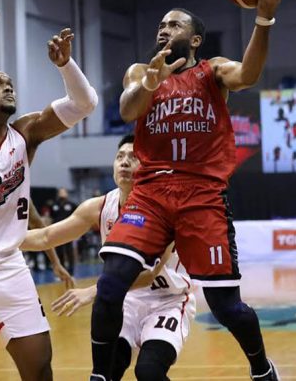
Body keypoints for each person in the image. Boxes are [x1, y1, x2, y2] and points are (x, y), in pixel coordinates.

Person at [89, 0, 284, 381]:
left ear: (195, 39)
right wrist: (150, 82)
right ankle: (99, 376)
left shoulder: (212, 71)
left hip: (202, 193)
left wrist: (263, 18)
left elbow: (248, 75)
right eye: (160, 25)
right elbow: (127, 110)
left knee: (227, 306)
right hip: (151, 192)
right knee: (110, 287)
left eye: (174, 24)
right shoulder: (140, 71)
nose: (163, 29)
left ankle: (262, 368)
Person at [0, 3, 97, 380]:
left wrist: (65, 66)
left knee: (40, 369)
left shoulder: (25, 134)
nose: (8, 86)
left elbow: (84, 104)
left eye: (10, 82)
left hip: (11, 265)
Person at [22, 134, 194, 381]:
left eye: (133, 158)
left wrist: (93, 291)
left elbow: (149, 275)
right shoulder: (100, 207)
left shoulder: (165, 209)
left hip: (168, 300)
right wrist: (0, 242)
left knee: (149, 372)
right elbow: (46, 236)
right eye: (119, 157)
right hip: (126, 301)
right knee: (110, 368)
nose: (124, 163)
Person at [50, 188, 78, 274]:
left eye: (64, 192)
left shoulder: (71, 205)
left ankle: (71, 270)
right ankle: (62, 269)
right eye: (60, 192)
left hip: (68, 230)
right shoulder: (54, 205)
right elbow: (52, 217)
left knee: (69, 250)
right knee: (59, 250)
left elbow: (77, 216)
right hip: (57, 230)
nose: (62, 193)